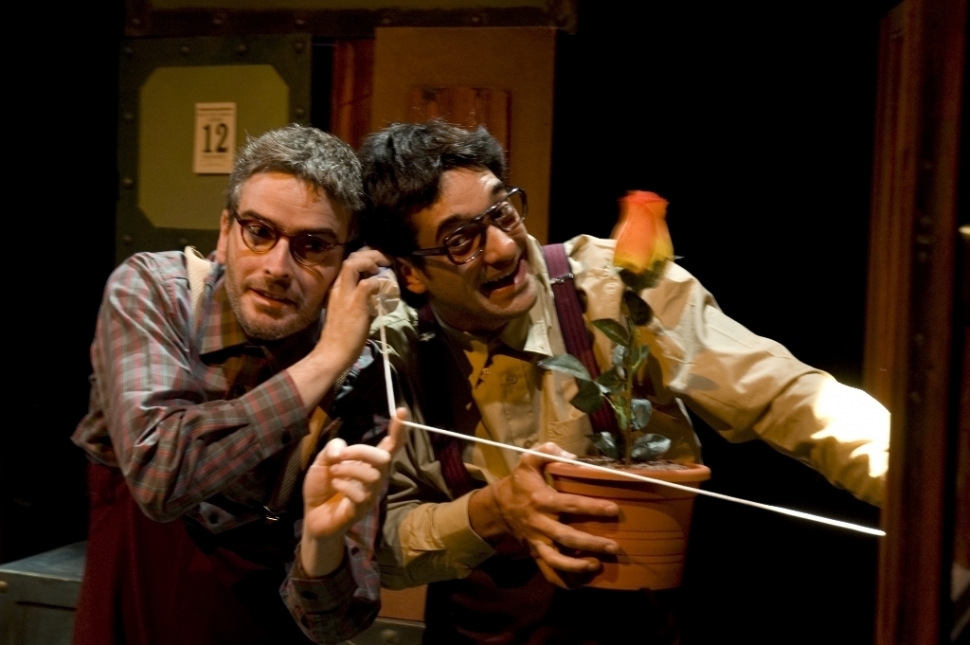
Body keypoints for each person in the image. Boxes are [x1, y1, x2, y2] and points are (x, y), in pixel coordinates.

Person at [357, 120, 890, 644]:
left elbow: (786, 396)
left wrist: (915, 484)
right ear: (411, 272)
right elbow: (381, 549)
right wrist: (491, 512)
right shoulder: (394, 351)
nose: (501, 248)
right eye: (460, 240)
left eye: (502, 213)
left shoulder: (617, 287)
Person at [71, 124, 408, 645]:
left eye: (313, 245)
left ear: (347, 262)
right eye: (259, 231)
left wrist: (321, 544)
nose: (277, 267)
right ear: (226, 231)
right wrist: (325, 360)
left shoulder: (363, 377)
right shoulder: (155, 293)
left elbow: (337, 623)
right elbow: (161, 475)